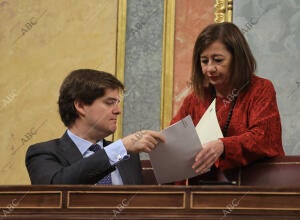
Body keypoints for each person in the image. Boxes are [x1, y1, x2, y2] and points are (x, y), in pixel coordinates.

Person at [170, 22, 285, 184]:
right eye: (204, 61)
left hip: (254, 189)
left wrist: (223, 147)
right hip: (200, 196)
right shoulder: (194, 99)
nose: (210, 68)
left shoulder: (261, 89)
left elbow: (264, 139)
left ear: (237, 59)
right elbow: (174, 140)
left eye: (217, 60)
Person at [25, 69, 165, 185]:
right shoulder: (43, 153)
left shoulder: (128, 157)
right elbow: (54, 189)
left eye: (117, 103)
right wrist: (120, 148)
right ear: (80, 106)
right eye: (110, 103)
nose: (118, 110)